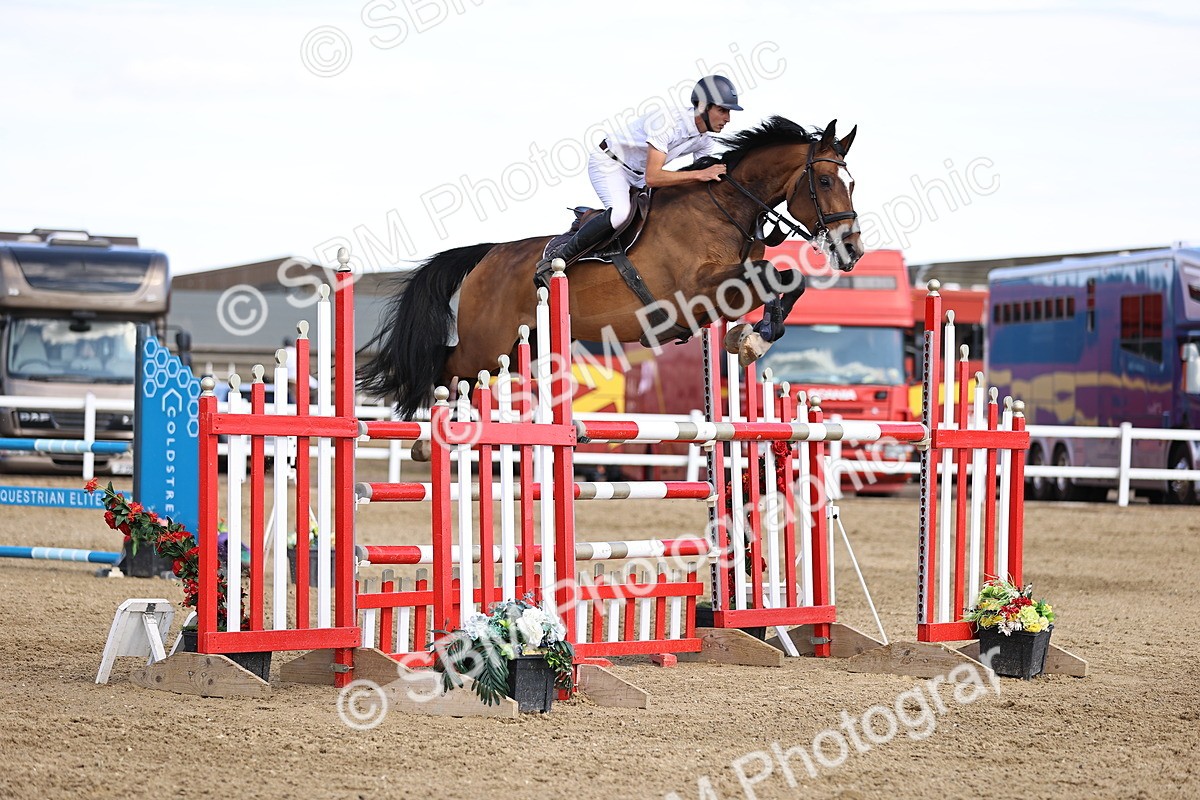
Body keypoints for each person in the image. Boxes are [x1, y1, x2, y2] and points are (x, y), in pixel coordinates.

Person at [539, 75, 743, 273]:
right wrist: (699, 174)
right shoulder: (667, 121)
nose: (727, 118)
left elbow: (705, 178)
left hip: (637, 175)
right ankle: (557, 261)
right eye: (722, 110)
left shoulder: (704, 140)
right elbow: (653, 178)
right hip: (610, 164)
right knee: (620, 214)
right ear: (703, 107)